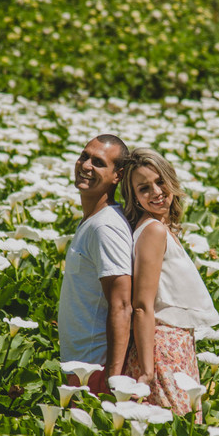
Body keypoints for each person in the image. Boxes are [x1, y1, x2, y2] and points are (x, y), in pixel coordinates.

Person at [120, 148, 219, 420]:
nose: (156, 192)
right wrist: (147, 371)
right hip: (162, 350)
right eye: (144, 188)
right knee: (177, 429)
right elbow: (142, 305)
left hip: (174, 347)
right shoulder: (153, 230)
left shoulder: (160, 227)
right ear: (135, 198)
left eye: (160, 181)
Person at [57, 135, 133, 395]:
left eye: (98, 162)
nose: (86, 165)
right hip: (81, 366)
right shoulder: (93, 220)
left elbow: (122, 304)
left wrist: (112, 375)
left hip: (95, 370)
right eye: (84, 156)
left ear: (117, 176)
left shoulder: (105, 227)